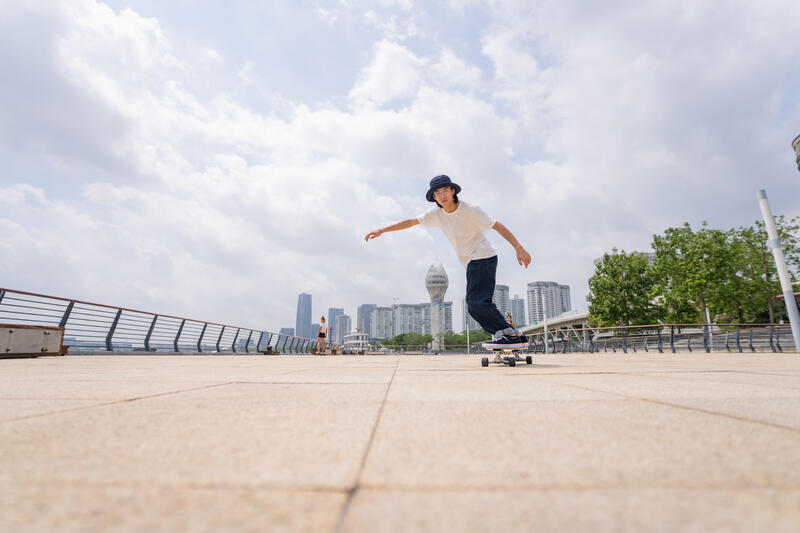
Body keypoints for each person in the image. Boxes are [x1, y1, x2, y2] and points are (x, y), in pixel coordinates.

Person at [364, 175, 531, 355]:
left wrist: (518, 247)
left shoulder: (470, 210)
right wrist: (382, 230)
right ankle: (507, 332)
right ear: (434, 197)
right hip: (471, 262)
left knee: (476, 302)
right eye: (437, 193)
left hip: (483, 256)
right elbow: (412, 222)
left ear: (453, 191)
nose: (442, 195)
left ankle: (507, 333)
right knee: (476, 305)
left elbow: (497, 226)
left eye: (445, 190)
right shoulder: (436, 214)